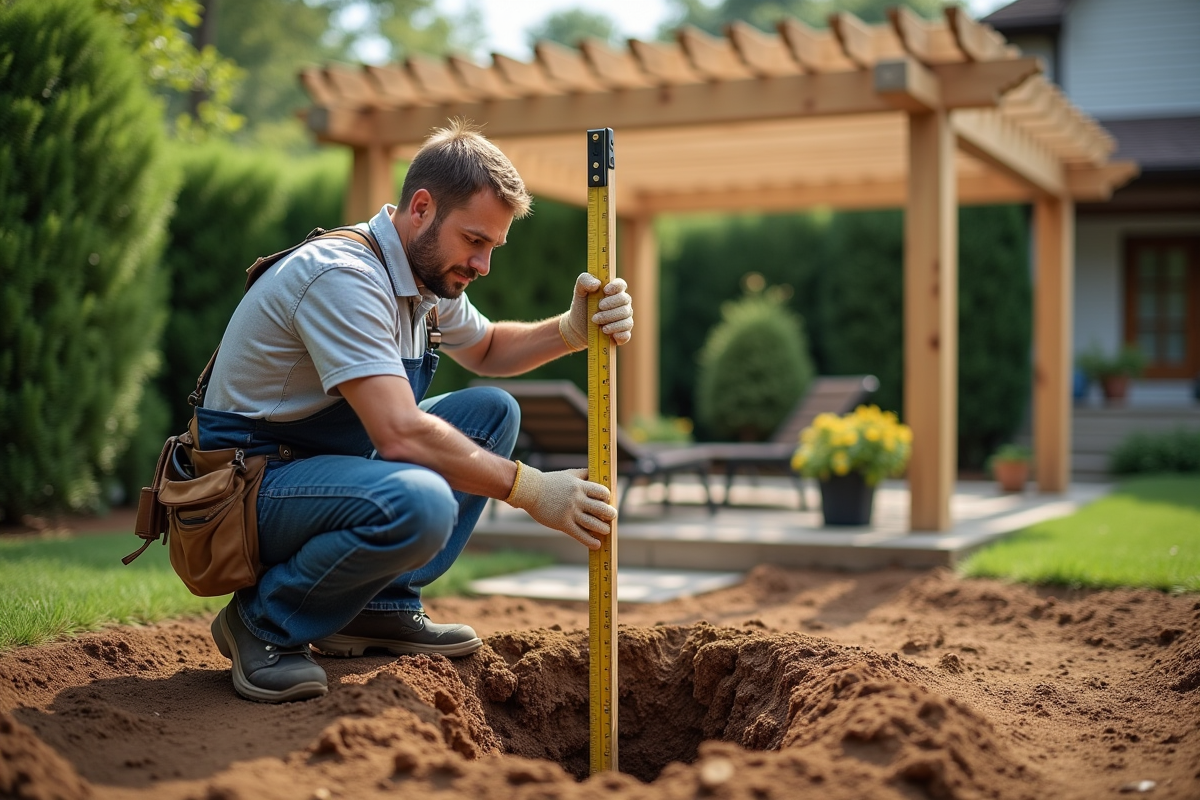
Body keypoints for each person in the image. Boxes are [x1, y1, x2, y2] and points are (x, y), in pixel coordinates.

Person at [197, 120, 634, 703]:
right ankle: (261, 624)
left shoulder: (421, 280)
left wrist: (571, 331)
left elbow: (487, 350)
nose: (482, 265)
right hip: (247, 487)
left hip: (314, 468)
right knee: (420, 502)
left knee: (491, 413)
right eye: (474, 241)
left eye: (492, 248)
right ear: (422, 207)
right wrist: (530, 489)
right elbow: (399, 432)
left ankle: (377, 608)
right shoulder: (343, 277)